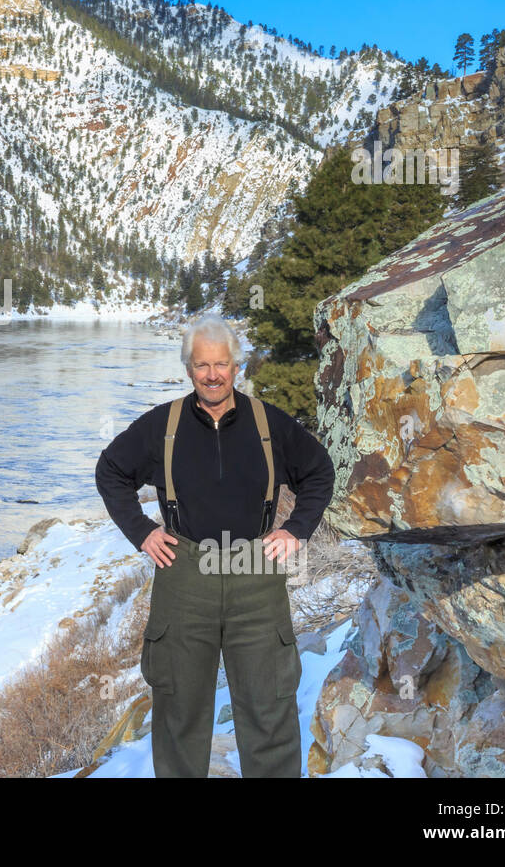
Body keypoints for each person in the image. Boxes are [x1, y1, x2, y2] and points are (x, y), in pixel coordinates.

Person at [94, 312, 335, 777]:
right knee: (180, 709)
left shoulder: (270, 425)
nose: (212, 375)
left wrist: (296, 529)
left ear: (236, 367)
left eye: (221, 364)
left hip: (256, 573)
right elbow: (110, 472)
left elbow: (319, 471)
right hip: (184, 578)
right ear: (189, 369)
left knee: (269, 707)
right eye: (202, 365)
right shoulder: (161, 426)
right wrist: (142, 531)